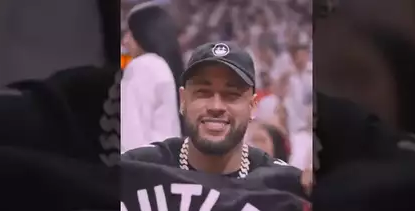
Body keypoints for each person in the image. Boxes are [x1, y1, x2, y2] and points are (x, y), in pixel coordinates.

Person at [122, 41, 307, 192]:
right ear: (183, 100)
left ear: (252, 107)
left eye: (231, 95)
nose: (216, 106)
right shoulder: (141, 171)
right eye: (203, 93)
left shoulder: (283, 186)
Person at [120, 2, 184, 152]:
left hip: (143, 168)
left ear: (144, 33)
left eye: (130, 32)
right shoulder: (164, 67)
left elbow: (129, 135)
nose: (125, 41)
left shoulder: (143, 66)